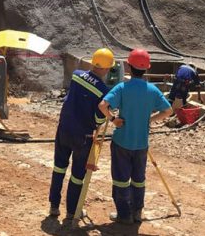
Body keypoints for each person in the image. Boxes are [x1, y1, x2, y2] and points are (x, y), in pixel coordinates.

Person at [99, 48, 173, 224]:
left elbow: (103, 105)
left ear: (128, 66)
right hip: (141, 143)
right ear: (146, 68)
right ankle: (137, 212)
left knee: (121, 179)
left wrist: (113, 119)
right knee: (138, 179)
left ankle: (124, 215)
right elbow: (168, 110)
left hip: (122, 142)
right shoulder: (152, 90)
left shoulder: (122, 88)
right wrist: (150, 120)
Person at [48, 48, 124, 221]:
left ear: (93, 62)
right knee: (77, 175)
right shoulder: (103, 90)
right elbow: (98, 117)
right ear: (106, 69)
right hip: (83, 136)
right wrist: (109, 118)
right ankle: (72, 211)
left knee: (59, 168)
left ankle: (54, 205)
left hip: (64, 128)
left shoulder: (76, 75)